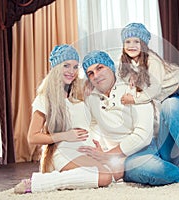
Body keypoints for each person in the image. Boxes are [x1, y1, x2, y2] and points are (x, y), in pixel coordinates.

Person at [80, 50, 179, 190]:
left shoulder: (133, 85)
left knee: (171, 104)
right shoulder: (91, 98)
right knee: (153, 170)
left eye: (100, 68)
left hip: (158, 145)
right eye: (90, 73)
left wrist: (111, 154)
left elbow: (143, 135)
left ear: (111, 67)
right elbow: (92, 125)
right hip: (130, 158)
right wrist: (98, 150)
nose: (96, 75)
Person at [14, 44, 122, 194]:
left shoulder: (79, 93)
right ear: (56, 67)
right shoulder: (45, 98)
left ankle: (68, 177)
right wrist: (65, 135)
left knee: (119, 172)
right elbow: (32, 137)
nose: (71, 71)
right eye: (66, 66)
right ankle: (39, 183)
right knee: (105, 177)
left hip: (86, 148)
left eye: (75, 67)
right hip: (64, 150)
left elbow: (108, 83)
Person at [119, 22, 179, 105]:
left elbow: (155, 88)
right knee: (173, 108)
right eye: (128, 42)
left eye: (136, 41)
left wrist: (134, 100)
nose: (131, 45)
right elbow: (123, 76)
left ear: (143, 45)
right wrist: (131, 78)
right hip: (167, 94)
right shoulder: (125, 61)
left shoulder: (152, 61)